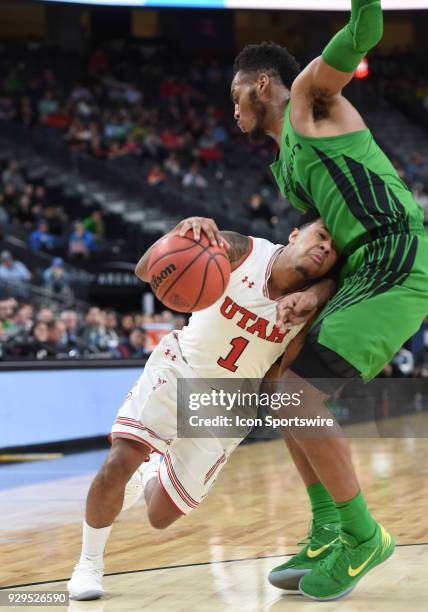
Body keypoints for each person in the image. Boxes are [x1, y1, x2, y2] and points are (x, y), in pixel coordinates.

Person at [231, 0, 428, 601]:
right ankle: (327, 532)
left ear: (260, 83)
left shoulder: (313, 97)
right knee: (280, 381)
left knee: (297, 396)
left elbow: (365, 28)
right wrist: (315, 291)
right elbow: (330, 246)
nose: (232, 110)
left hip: (396, 253)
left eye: (235, 96)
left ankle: (364, 536)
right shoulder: (286, 168)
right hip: (359, 268)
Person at [67, 215, 339, 601]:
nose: (326, 247)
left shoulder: (314, 308)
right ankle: (88, 564)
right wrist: (179, 233)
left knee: (160, 516)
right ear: (296, 234)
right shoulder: (241, 250)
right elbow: (147, 271)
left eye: (333, 249)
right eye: (321, 236)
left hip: (230, 404)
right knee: (118, 461)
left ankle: (149, 473)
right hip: (179, 366)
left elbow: (281, 376)